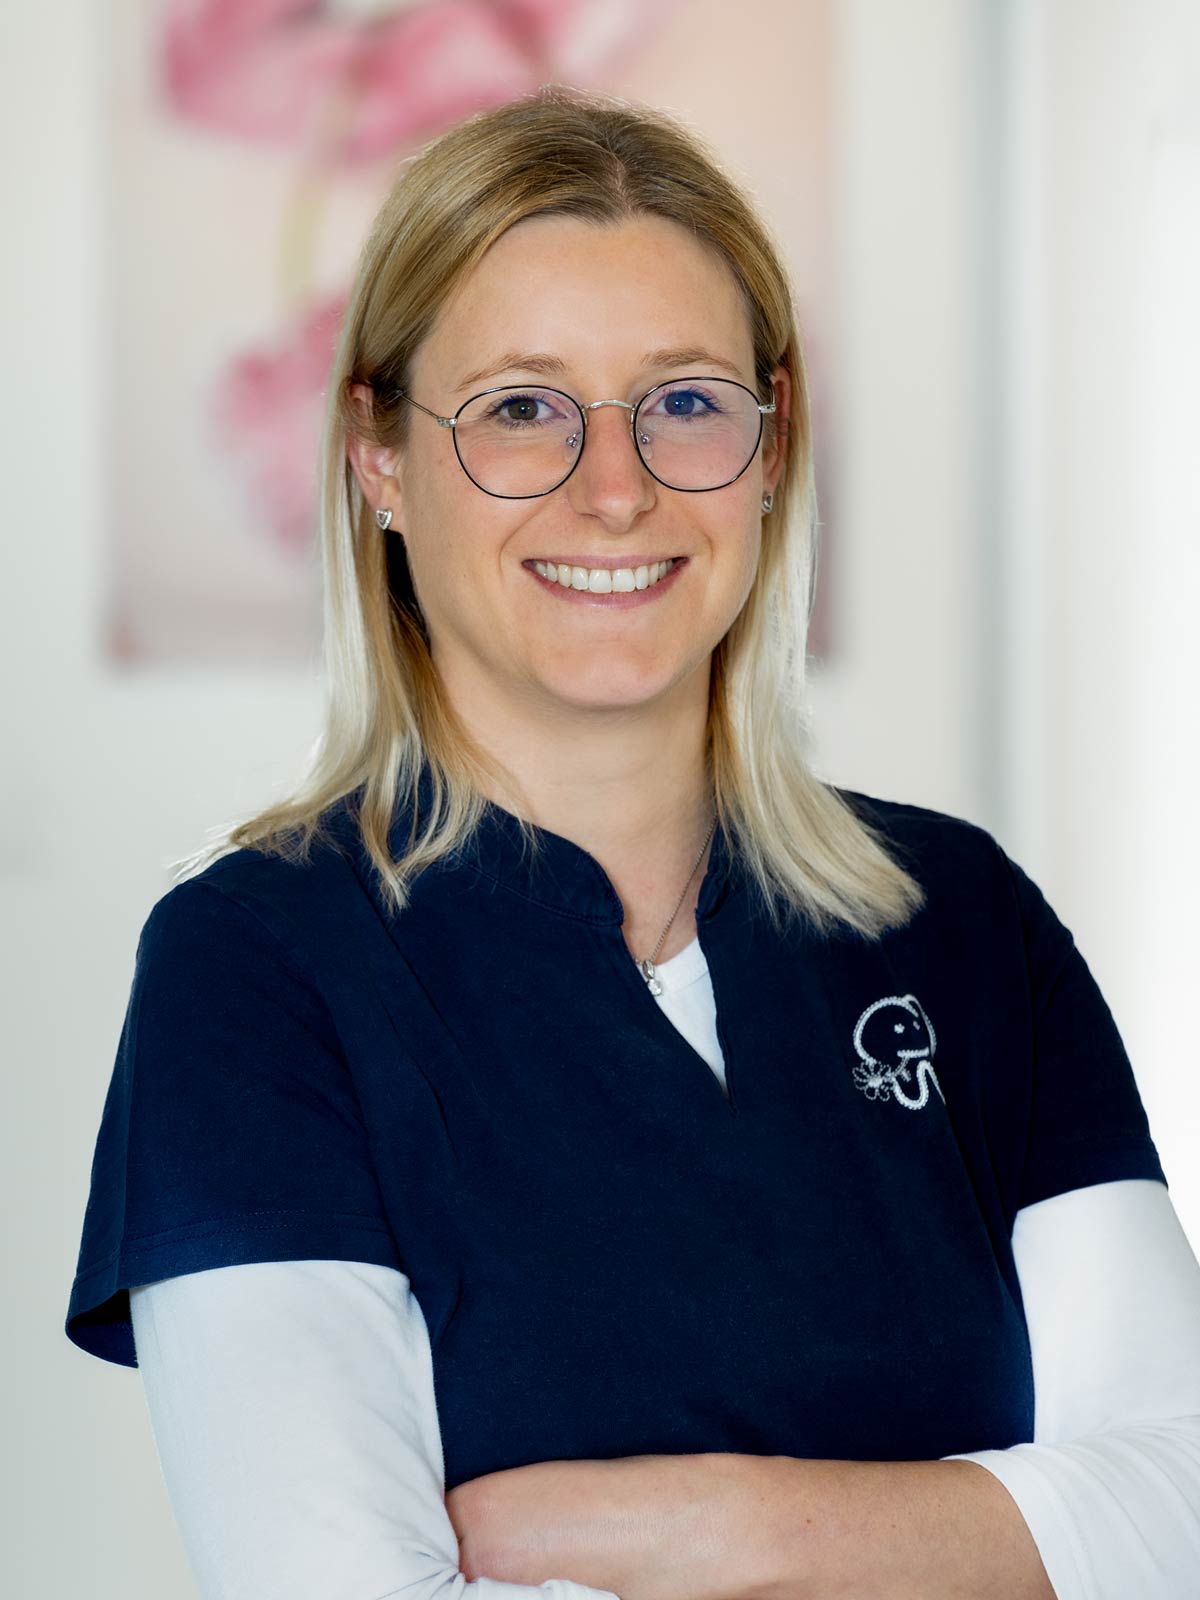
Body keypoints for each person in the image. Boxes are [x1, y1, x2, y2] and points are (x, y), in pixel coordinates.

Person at [65, 85, 1200, 1600]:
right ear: (379, 457)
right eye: (521, 408)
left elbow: (1185, 1511)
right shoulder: (257, 969)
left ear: (772, 443)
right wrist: (999, 1537)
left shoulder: (962, 921)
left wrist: (704, 1531)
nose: (617, 490)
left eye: (685, 401)